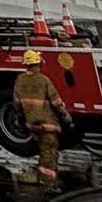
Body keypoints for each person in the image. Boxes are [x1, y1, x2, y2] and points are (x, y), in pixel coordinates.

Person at [14, 48, 72, 186]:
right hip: (48, 122)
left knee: (43, 149)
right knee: (50, 151)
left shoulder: (20, 80)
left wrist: (21, 116)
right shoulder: (43, 80)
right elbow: (56, 102)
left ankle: (44, 175)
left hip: (32, 123)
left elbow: (16, 103)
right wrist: (66, 116)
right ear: (38, 64)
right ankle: (49, 181)